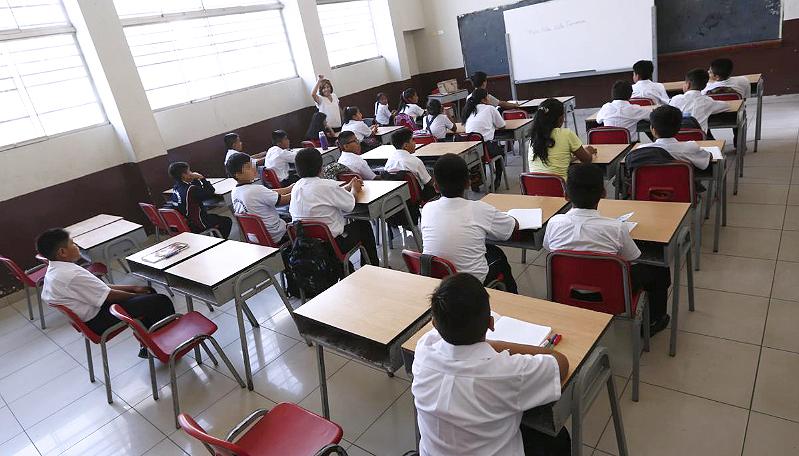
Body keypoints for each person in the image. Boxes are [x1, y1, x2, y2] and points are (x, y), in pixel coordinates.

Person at [412, 273, 570, 456]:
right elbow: (560, 363)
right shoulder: (506, 372)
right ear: (490, 324)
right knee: (558, 438)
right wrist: (494, 345)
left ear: (434, 324)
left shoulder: (423, 351)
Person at [543, 163, 672, 334]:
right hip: (612, 294)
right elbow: (633, 257)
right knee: (659, 269)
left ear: (566, 195)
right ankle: (654, 321)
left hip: (567, 290)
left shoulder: (554, 223)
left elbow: (548, 247)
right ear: (603, 193)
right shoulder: (616, 228)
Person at [37, 228, 175, 358]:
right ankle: (167, 345)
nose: (76, 246)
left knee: (148, 293)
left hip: (93, 312)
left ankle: (149, 343)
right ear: (62, 252)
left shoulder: (56, 270)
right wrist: (137, 295)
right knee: (160, 301)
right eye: (72, 244)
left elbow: (101, 288)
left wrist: (134, 288)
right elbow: (108, 296)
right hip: (97, 320)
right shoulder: (70, 274)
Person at [421, 153, 518, 293]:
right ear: (468, 183)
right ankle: (513, 300)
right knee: (498, 255)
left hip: (435, 281)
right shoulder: (480, 209)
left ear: (435, 186)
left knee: (487, 249)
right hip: (469, 284)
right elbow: (512, 228)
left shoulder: (427, 208)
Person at [289, 148, 379, 266]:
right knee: (363, 226)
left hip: (305, 246)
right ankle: (371, 267)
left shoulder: (297, 187)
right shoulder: (327, 185)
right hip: (332, 245)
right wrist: (354, 189)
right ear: (321, 167)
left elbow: (326, 194)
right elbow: (350, 204)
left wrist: (348, 187)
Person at [228, 152, 293, 244]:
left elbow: (268, 193)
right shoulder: (256, 190)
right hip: (277, 234)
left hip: (256, 237)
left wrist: (289, 188)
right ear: (237, 174)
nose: (253, 168)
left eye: (252, 165)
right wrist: (298, 190)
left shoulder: (235, 191)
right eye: (248, 167)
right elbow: (284, 200)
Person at [528, 98, 596, 180]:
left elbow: (552, 161)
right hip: (560, 190)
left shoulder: (534, 137)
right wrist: (589, 151)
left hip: (534, 189)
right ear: (560, 118)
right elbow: (587, 159)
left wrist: (572, 157)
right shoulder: (566, 134)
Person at [168, 161, 232, 238]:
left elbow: (197, 189)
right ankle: (219, 240)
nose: (191, 172)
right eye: (189, 171)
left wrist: (195, 179)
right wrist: (202, 178)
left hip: (187, 222)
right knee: (226, 221)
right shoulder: (190, 190)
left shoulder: (176, 187)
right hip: (198, 223)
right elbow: (210, 191)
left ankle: (216, 238)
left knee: (214, 217)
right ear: (184, 175)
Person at [463, 87, 507, 190]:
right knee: (501, 153)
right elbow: (502, 126)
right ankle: (497, 181)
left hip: (470, 150)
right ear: (483, 99)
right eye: (487, 97)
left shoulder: (469, 110)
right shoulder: (490, 108)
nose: (489, 99)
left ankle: (476, 183)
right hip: (485, 148)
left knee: (480, 153)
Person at [646, 105, 712, 171]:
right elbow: (708, 157)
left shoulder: (642, 150)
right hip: (683, 181)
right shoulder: (690, 148)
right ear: (679, 128)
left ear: (653, 130)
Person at [669, 68, 729, 133]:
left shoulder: (675, 99)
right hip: (698, 138)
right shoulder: (707, 101)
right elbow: (726, 106)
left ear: (688, 84)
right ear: (705, 86)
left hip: (678, 136)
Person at [384, 127, 435, 199]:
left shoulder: (389, 161)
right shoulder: (415, 161)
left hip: (397, 197)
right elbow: (429, 182)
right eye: (412, 140)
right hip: (418, 196)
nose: (415, 142)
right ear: (406, 145)